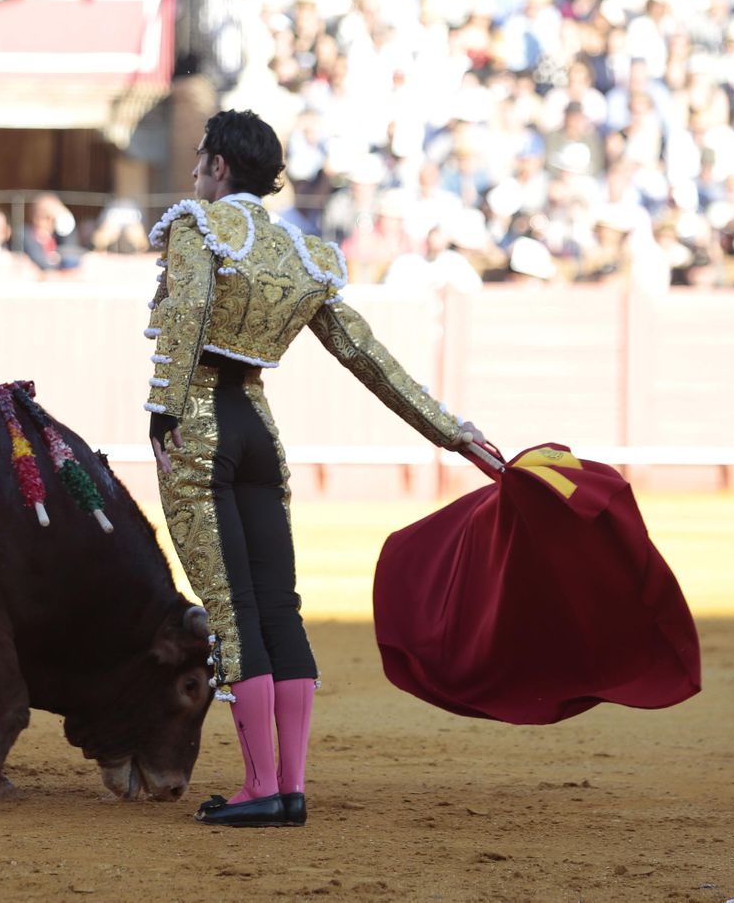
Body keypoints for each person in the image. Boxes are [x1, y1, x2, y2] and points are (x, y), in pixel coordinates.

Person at [143, 110, 482, 829]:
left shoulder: (197, 229)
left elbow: (191, 312)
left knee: (234, 616)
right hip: (261, 432)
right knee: (280, 609)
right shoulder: (304, 255)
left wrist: (164, 410)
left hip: (202, 428)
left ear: (221, 168)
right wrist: (452, 432)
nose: (196, 172)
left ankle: (259, 785)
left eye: (202, 159)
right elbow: (367, 357)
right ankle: (288, 785)